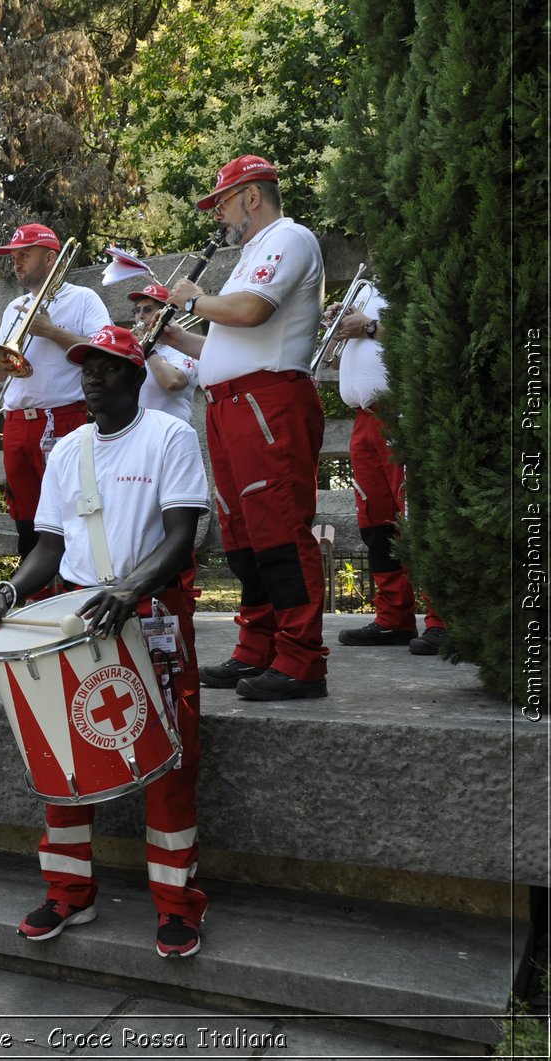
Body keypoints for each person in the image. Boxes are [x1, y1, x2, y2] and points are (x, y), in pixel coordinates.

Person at [0, 324, 208, 959]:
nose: (92, 377)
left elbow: (181, 533)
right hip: (74, 614)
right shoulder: (68, 449)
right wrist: (11, 592)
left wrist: (132, 589)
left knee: (168, 761)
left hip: (150, 611)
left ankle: (177, 905)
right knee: (63, 753)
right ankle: (68, 893)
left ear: (136, 376)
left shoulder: (171, 437)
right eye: (86, 368)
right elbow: (48, 546)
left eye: (107, 368)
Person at [163, 154, 329, 700]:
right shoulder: (252, 253)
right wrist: (169, 337)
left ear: (251, 197)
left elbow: (252, 312)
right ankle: (259, 646)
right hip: (232, 404)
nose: (219, 217)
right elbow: (226, 343)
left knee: (279, 529)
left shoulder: (289, 237)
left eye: (223, 203)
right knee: (243, 538)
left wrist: (194, 299)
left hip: (268, 401)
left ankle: (301, 660)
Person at [325, 279, 452, 655]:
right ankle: (394, 616)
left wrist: (367, 327)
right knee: (376, 523)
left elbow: (430, 334)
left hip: (402, 412)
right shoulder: (366, 288)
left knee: (414, 515)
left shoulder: (412, 276)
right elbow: (342, 354)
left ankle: (443, 619)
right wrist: (340, 326)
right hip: (364, 419)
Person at [0, 224, 112, 560]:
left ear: (50, 258)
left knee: (67, 511)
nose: (17, 263)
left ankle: (72, 589)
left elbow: (104, 350)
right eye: (14, 257)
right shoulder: (14, 307)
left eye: (24, 255)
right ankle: (35, 595)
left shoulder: (83, 298)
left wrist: (51, 331)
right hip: (16, 422)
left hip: (60, 417)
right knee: (25, 518)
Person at [127, 283, 201, 422]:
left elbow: (173, 381)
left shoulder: (181, 347)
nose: (140, 316)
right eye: (137, 310)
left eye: (148, 310)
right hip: (137, 430)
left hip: (171, 431)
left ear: (164, 314)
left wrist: (148, 350)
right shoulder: (133, 350)